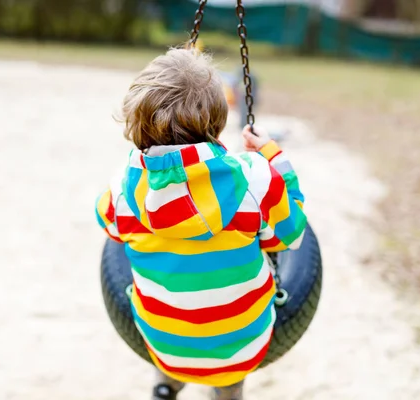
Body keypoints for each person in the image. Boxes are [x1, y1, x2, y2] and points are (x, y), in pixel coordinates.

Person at [94, 47, 307, 400]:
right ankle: (226, 392)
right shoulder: (255, 178)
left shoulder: (123, 187)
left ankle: (168, 384)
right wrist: (273, 157)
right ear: (218, 122)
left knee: (165, 296)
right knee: (227, 350)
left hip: (163, 344)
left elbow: (109, 226)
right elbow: (294, 233)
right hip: (243, 346)